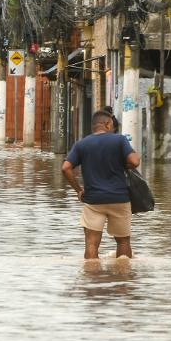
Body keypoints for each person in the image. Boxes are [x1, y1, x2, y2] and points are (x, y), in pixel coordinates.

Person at [61, 110, 141, 259]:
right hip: (119, 199)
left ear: (94, 126)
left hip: (93, 201)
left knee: (91, 243)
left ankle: (91, 277)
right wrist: (123, 164)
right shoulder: (119, 140)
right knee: (123, 241)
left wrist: (79, 190)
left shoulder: (82, 144)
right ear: (108, 124)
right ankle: (123, 277)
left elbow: (65, 168)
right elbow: (135, 161)